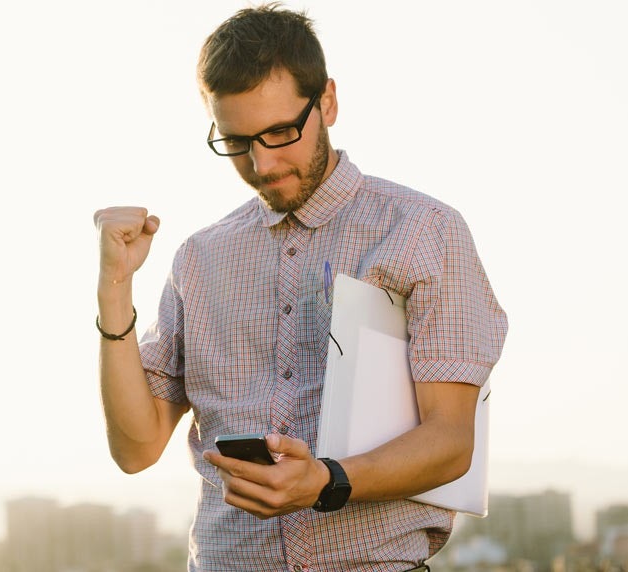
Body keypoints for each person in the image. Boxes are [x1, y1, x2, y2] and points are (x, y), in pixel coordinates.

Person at [92, 4, 508, 571]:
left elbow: (451, 441)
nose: (262, 164)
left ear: (328, 102)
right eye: (237, 142)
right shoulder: (198, 258)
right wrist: (114, 289)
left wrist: (326, 480)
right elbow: (136, 449)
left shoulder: (423, 231)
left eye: (280, 132)